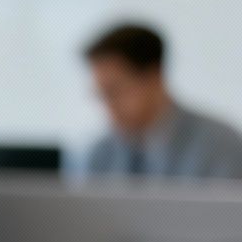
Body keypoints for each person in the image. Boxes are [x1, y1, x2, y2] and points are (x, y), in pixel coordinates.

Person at [81, 22, 242, 180]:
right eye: (101, 94)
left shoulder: (220, 145)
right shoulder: (101, 154)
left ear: (153, 77)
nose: (109, 105)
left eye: (115, 91)